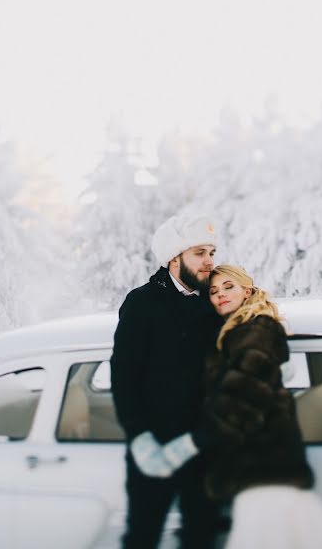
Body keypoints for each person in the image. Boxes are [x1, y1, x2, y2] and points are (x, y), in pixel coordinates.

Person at [202, 264, 322, 549]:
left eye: (228, 286)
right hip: (263, 461)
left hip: (261, 463)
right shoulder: (238, 331)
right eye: (213, 291)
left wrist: (198, 439)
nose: (220, 294)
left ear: (247, 290)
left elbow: (243, 392)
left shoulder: (257, 328)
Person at [111, 214, 224, 549]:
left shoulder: (216, 300)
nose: (209, 261)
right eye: (200, 253)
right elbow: (124, 374)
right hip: (155, 447)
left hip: (202, 446)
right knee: (143, 536)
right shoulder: (142, 303)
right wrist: (140, 437)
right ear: (175, 258)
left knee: (201, 537)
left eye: (212, 252)